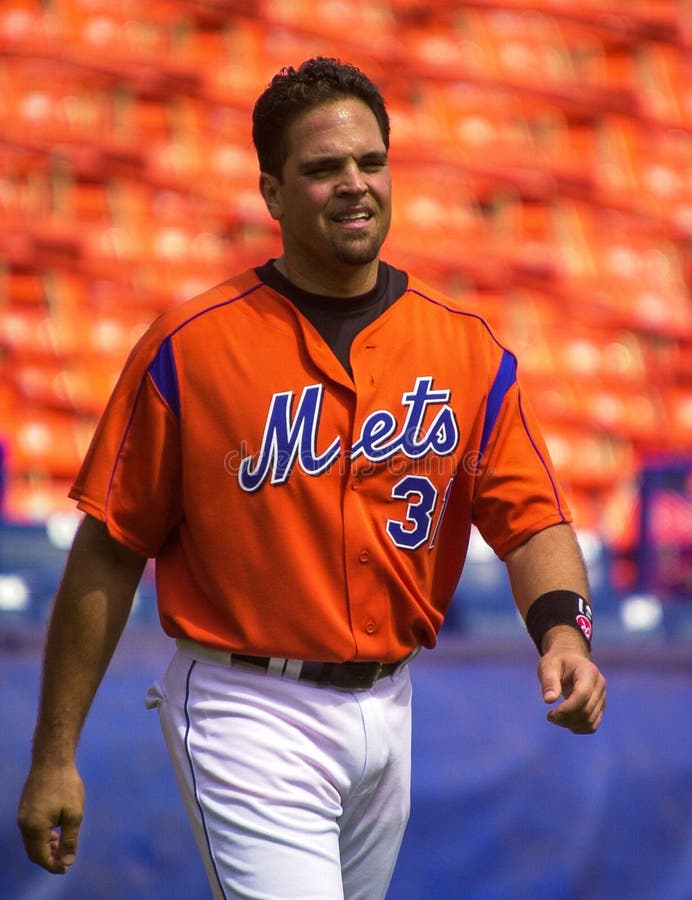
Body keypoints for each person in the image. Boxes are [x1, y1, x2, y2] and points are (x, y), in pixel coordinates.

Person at [17, 57, 606, 899]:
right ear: (271, 192)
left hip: (389, 706)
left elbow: (531, 520)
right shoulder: (192, 347)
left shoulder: (464, 350)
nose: (354, 185)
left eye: (371, 162)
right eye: (323, 168)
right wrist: (54, 755)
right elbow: (110, 548)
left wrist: (563, 635)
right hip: (246, 705)